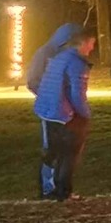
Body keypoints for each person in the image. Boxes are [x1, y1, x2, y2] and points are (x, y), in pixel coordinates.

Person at [33, 24, 97, 201]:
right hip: (63, 114)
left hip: (46, 110)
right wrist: (85, 114)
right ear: (83, 43)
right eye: (91, 43)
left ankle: (48, 191)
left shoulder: (59, 58)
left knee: (52, 153)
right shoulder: (77, 63)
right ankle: (63, 192)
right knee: (70, 153)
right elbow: (77, 94)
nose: (92, 48)